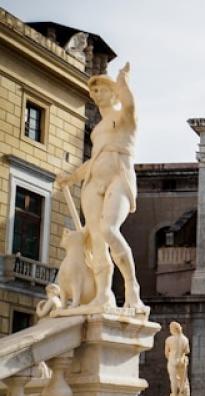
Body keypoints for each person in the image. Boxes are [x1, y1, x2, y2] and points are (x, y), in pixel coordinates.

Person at [55, 63, 145, 310]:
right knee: (96, 240)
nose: (95, 93)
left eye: (101, 88)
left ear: (114, 91)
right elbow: (93, 160)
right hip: (93, 181)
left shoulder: (125, 118)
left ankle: (131, 287)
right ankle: (103, 295)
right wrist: (71, 177)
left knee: (108, 229)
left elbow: (131, 105)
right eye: (92, 90)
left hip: (119, 177)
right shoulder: (96, 131)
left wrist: (123, 81)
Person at [164, 322, 191, 396]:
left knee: (174, 380)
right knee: (182, 381)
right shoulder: (185, 339)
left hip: (172, 360)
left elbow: (166, 353)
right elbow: (187, 351)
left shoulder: (169, 339)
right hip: (182, 361)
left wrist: (171, 358)